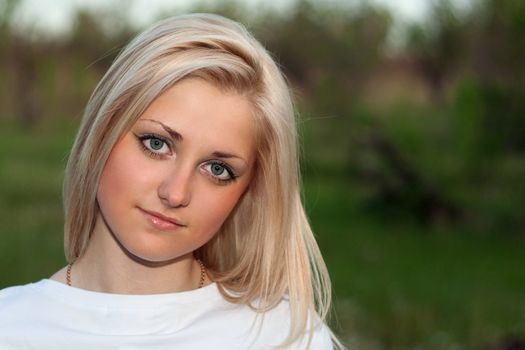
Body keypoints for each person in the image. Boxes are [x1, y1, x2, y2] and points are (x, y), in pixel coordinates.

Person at [0, 13, 343, 349]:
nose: (175, 193)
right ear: (102, 129)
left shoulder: (284, 336)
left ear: (248, 190)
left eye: (217, 169)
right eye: (157, 144)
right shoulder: (10, 327)